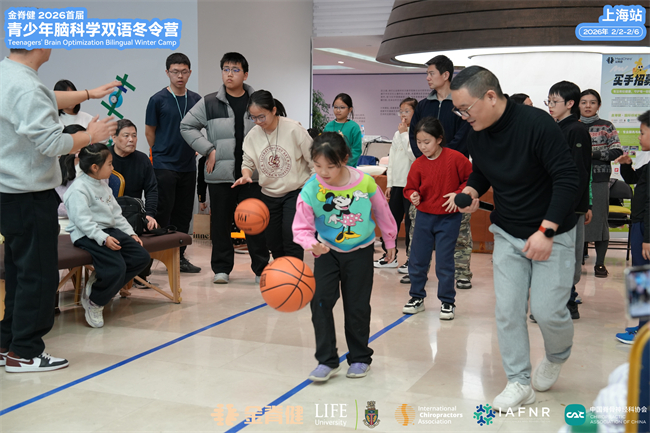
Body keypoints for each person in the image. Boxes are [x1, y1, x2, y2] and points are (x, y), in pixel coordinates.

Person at [451, 66, 579, 411]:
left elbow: (567, 178)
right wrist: (471, 191)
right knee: (508, 310)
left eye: (465, 109)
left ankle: (557, 355)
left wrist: (546, 231)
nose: (463, 117)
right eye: (458, 111)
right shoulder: (477, 134)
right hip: (508, 231)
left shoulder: (537, 124)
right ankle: (519, 381)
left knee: (547, 311)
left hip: (553, 230)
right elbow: (482, 171)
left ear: (491, 96)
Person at [0, 48, 117, 372]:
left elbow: (46, 97)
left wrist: (89, 93)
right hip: (29, 195)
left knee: (20, 273)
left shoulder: (9, 73)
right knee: (39, 276)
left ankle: (7, 343)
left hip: (9, 193)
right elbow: (52, 143)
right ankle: (25, 352)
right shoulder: (26, 85)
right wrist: (90, 136)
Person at [292, 132, 397, 381]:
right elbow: (301, 226)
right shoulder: (311, 188)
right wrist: (312, 244)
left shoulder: (365, 183)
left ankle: (360, 358)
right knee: (320, 302)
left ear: (345, 159)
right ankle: (327, 360)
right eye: (318, 165)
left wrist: (390, 239)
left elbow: (382, 210)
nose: (324, 172)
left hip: (360, 251)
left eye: (331, 166)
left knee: (357, 306)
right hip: (326, 251)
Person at [181, 52, 269, 284]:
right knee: (220, 225)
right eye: (226, 69)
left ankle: (261, 268)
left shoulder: (257, 102)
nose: (230, 74)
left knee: (256, 223)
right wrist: (208, 149)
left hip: (252, 176)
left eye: (235, 70)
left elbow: (273, 127)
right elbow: (186, 126)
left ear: (245, 74)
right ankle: (221, 269)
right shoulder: (210, 102)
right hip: (220, 175)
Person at [64, 143, 151, 328]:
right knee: (116, 267)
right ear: (95, 167)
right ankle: (94, 301)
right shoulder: (78, 189)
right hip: (86, 234)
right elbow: (83, 222)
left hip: (107, 230)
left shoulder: (103, 185)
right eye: (110, 164)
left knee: (141, 257)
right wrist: (103, 239)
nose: (113, 167)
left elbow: (116, 215)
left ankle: (100, 281)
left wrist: (130, 233)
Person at [406, 55, 473, 289]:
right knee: (419, 228)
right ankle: (416, 271)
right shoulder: (424, 105)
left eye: (431, 73)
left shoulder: (460, 103)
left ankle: (462, 272)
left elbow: (465, 133)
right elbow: (414, 134)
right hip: (426, 173)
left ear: (446, 75)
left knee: (459, 226)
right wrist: (426, 155)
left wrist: (444, 156)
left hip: (454, 172)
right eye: (427, 73)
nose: (427, 77)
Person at [402, 117, 472, 319]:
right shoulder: (418, 164)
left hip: (449, 219)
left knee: (444, 261)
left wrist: (458, 194)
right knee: (418, 259)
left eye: (427, 142)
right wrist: (413, 195)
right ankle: (416, 297)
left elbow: (471, 179)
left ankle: (447, 301)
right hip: (424, 216)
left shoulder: (456, 158)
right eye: (419, 142)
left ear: (439, 139)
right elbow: (410, 188)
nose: (422, 146)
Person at [233, 90, 313, 260]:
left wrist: (311, 189)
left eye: (261, 117)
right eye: (253, 118)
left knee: (291, 237)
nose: (258, 122)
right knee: (273, 241)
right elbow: (247, 162)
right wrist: (246, 174)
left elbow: (313, 160)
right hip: (269, 194)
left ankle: (294, 272)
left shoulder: (293, 129)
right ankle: (280, 271)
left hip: (295, 192)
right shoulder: (253, 135)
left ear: (274, 110)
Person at [145, 52, 202, 273]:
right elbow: (150, 132)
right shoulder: (157, 100)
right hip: (164, 164)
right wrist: (158, 153)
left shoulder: (196, 99)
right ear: (167, 72)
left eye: (184, 72)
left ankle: (178, 257)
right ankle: (149, 258)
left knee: (183, 213)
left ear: (190, 73)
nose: (180, 76)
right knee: (162, 211)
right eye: (175, 72)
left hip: (188, 164)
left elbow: (199, 128)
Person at [544, 81, 592, 321]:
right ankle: (556, 302)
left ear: (570, 103)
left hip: (569, 206)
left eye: (555, 102)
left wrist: (571, 205)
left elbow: (579, 173)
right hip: (555, 203)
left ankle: (569, 303)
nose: (550, 106)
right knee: (555, 255)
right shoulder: (556, 127)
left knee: (568, 255)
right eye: (549, 101)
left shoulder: (576, 130)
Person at [613, 110, 650, 344]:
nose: (639, 137)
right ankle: (643, 326)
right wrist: (627, 166)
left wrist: (648, 237)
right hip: (641, 225)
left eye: (643, 133)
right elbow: (635, 180)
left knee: (642, 279)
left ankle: (643, 333)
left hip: (644, 228)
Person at [110, 119, 159, 286]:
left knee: (151, 228)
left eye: (134, 135)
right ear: (114, 137)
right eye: (126, 136)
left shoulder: (142, 159)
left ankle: (140, 276)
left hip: (133, 215)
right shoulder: (104, 158)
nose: (131, 139)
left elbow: (152, 189)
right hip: (107, 214)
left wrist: (150, 214)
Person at [580, 89, 623, 278]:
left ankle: (599, 264)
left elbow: (616, 151)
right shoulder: (573, 125)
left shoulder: (606, 126)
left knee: (599, 222)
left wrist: (592, 154)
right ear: (577, 104)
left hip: (599, 180)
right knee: (577, 221)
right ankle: (576, 259)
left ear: (599, 105)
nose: (588, 106)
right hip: (576, 181)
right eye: (583, 102)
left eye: (592, 102)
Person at [374, 97, 417, 271]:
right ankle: (389, 256)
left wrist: (405, 133)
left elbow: (414, 155)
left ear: (415, 112)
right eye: (401, 111)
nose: (403, 115)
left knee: (411, 224)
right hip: (397, 184)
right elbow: (391, 161)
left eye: (407, 111)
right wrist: (390, 184)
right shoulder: (397, 133)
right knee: (391, 220)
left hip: (411, 185)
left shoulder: (416, 132)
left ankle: (411, 259)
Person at [323, 93, 362, 167]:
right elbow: (323, 147)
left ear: (350, 109)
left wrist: (343, 163)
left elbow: (356, 150)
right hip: (330, 166)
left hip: (348, 168)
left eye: (342, 107)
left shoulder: (354, 127)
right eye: (335, 107)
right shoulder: (328, 126)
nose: (338, 110)